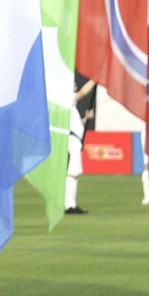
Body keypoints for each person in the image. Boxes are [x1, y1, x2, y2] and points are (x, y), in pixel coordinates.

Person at [65, 80, 96, 215]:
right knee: (73, 172)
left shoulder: (73, 108)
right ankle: (69, 205)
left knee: (74, 172)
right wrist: (95, 80)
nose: (75, 85)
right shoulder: (67, 99)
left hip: (74, 139)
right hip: (72, 140)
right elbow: (83, 92)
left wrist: (85, 118)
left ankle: (71, 203)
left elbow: (76, 125)